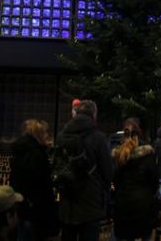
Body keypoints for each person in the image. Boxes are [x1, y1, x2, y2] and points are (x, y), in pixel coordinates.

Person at [56, 99, 113, 241]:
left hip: (67, 201)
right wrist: (103, 192)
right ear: (94, 115)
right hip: (90, 203)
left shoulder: (61, 136)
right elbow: (107, 171)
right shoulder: (98, 137)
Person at [9, 119, 58, 240]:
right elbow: (38, 182)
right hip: (35, 208)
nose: (47, 135)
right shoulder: (35, 154)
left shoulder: (22, 151)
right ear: (38, 134)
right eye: (45, 132)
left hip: (23, 205)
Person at [112, 118, 158, 241]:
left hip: (123, 203)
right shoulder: (148, 154)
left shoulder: (118, 154)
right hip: (143, 204)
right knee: (145, 235)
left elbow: (115, 179)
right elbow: (154, 180)